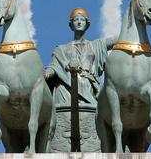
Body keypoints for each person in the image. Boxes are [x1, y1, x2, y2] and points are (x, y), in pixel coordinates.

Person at [44, 8, 115, 152]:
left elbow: (118, 39)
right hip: (66, 89)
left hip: (89, 89)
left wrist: (134, 13)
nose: (79, 22)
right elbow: (53, 66)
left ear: (87, 23)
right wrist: (49, 72)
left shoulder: (96, 45)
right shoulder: (61, 50)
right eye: (76, 20)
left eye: (82, 19)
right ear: (71, 24)